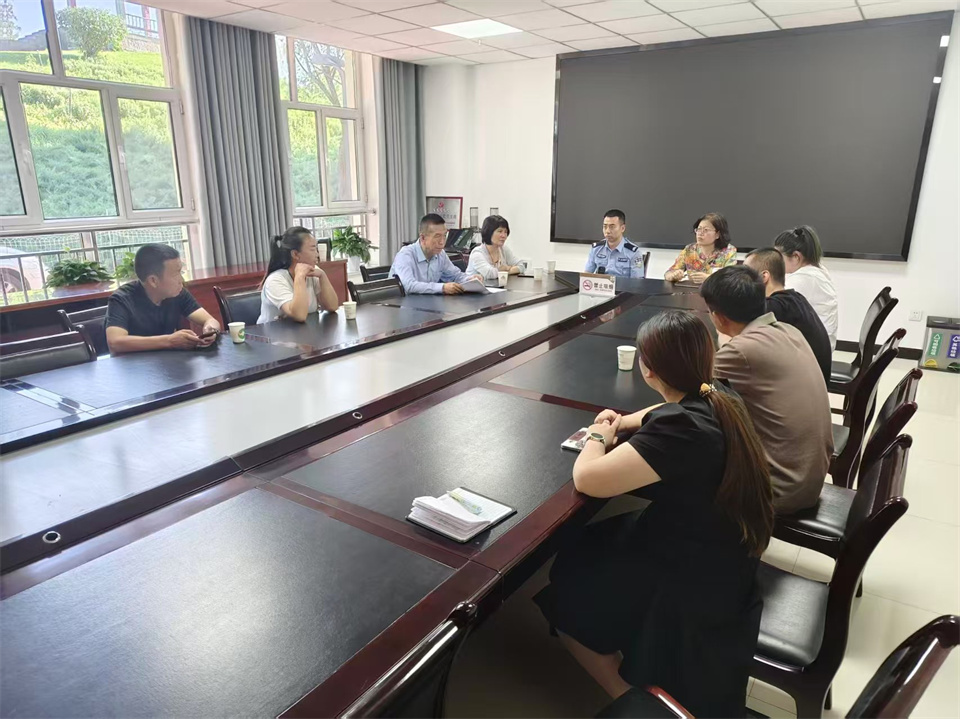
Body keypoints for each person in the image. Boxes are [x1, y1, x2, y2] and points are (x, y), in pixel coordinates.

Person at [534, 310, 773, 718]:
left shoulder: (681, 428)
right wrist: (624, 420)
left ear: (648, 370)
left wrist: (598, 435)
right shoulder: (719, 394)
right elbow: (658, 414)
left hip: (690, 576)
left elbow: (588, 478)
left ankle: (640, 702)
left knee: (566, 596)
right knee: (593, 542)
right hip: (723, 556)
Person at [700, 266, 833, 514]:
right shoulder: (788, 330)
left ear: (718, 317)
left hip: (778, 489)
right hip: (808, 477)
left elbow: (692, 381)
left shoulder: (742, 350)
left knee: (690, 459)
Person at [105, 244, 220, 354]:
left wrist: (211, 330)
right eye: (176, 274)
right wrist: (169, 341)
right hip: (133, 365)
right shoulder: (122, 299)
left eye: (181, 272)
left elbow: (210, 320)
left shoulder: (178, 293)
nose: (181, 279)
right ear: (153, 281)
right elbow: (115, 342)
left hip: (166, 362)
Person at [745, 248, 831, 384]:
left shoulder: (774, 307)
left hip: (803, 386)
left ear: (764, 277)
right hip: (815, 383)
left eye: (745, 274)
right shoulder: (794, 298)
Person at [774, 225, 838, 349]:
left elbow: (775, 304)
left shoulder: (804, 278)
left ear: (796, 257)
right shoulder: (817, 270)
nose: (776, 263)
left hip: (813, 351)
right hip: (822, 346)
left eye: (779, 258)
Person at [258, 227, 340, 324]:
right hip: (273, 332)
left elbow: (332, 306)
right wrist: (300, 277)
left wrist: (323, 276)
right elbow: (299, 315)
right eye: (313, 249)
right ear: (295, 254)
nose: (317, 254)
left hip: (303, 331)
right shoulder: (275, 280)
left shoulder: (313, 271)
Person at [389, 214, 481, 294]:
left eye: (444, 236)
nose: (442, 242)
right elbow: (409, 285)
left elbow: (455, 276)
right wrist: (442, 288)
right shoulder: (405, 255)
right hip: (401, 305)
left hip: (428, 303)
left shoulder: (440, 254)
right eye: (437, 236)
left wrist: (470, 279)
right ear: (423, 238)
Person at [664, 212, 737, 284]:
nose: (700, 233)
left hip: (715, 291)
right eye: (699, 229)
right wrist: (673, 276)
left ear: (718, 234)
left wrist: (708, 279)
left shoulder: (728, 252)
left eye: (706, 230)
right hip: (690, 290)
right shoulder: (690, 249)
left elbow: (731, 279)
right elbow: (669, 273)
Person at [584, 209, 646, 278]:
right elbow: (586, 275)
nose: (607, 231)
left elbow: (637, 281)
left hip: (623, 285)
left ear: (622, 228)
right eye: (605, 227)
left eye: (612, 227)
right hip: (601, 284)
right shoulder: (596, 249)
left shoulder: (634, 252)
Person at [466, 215, 527, 282]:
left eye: (505, 232)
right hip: (476, 288)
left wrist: (506, 269)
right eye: (500, 231)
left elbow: (523, 265)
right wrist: (510, 269)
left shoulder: (503, 249)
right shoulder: (477, 253)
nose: (504, 235)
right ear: (489, 232)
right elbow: (490, 274)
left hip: (497, 287)